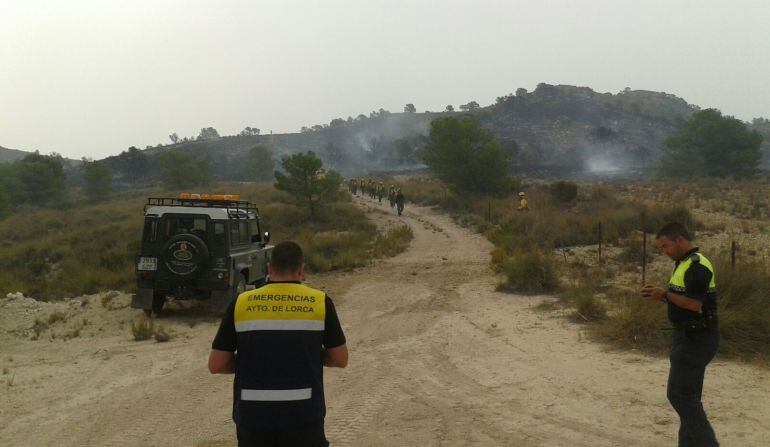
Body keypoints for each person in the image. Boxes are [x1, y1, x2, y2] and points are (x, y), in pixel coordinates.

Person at [209, 241, 349, 447]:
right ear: (302, 270)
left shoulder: (241, 303)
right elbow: (340, 359)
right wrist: (309, 355)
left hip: (253, 418)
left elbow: (217, 364)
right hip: (304, 416)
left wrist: (251, 360)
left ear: (269, 269)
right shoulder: (320, 302)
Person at [641, 223, 719, 447]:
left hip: (697, 340)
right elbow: (682, 298)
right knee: (689, 399)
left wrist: (664, 294)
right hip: (687, 337)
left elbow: (694, 304)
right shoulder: (683, 263)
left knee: (679, 396)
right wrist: (662, 295)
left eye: (665, 246)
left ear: (679, 240)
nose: (663, 251)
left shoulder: (697, 266)